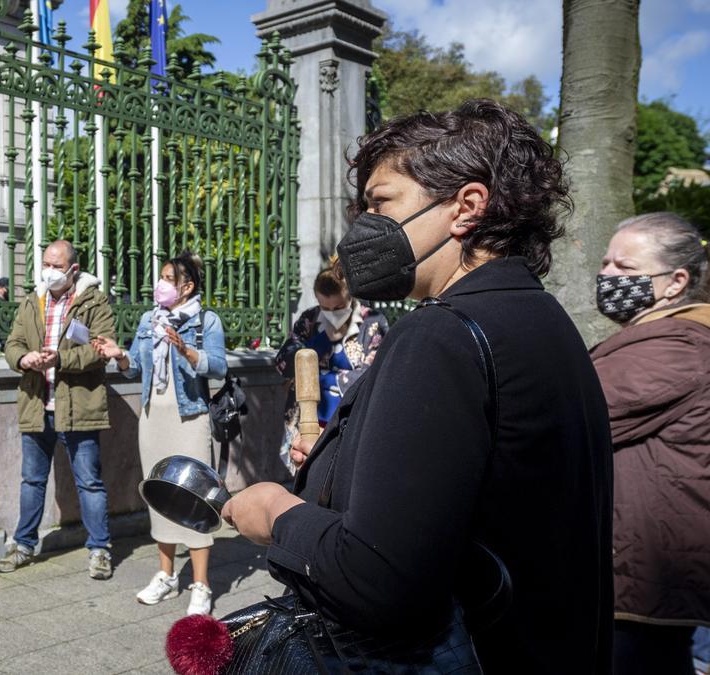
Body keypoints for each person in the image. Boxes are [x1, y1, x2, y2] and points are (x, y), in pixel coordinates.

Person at [220, 99, 614, 673]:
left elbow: (378, 576)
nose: (362, 229)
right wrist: (346, 459)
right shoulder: (541, 317)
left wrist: (277, 511)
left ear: (467, 207)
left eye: (381, 203)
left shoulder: (439, 334)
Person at [589, 212, 710, 675]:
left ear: (676, 281)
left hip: (641, 583)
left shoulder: (675, 348)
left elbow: (575, 414)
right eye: (605, 263)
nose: (606, 276)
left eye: (624, 267)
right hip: (633, 577)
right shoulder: (655, 339)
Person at [92, 252, 228, 616]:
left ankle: (201, 585)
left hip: (190, 417)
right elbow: (134, 366)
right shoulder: (147, 320)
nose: (161, 284)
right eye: (162, 277)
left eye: (170, 278)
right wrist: (118, 354)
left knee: (195, 497)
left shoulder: (205, 321)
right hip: (153, 418)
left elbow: (218, 366)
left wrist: (187, 350)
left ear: (187, 286)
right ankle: (166, 576)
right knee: (158, 493)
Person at [0, 240, 116, 579]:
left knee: (89, 482)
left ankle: (100, 550)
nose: (49, 271)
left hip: (79, 405)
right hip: (37, 402)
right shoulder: (33, 301)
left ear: (73, 270)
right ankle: (23, 545)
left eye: (56, 266)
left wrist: (61, 358)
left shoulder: (94, 301)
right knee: (32, 480)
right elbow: (13, 343)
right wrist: (23, 359)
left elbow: (101, 350)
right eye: (45, 263)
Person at [274, 263, 386, 471]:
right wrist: (322, 340)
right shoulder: (310, 319)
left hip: (350, 421)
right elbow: (284, 362)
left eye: (338, 308)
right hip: (306, 419)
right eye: (325, 308)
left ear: (350, 297)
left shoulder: (372, 322)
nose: (332, 313)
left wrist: (317, 379)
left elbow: (369, 374)